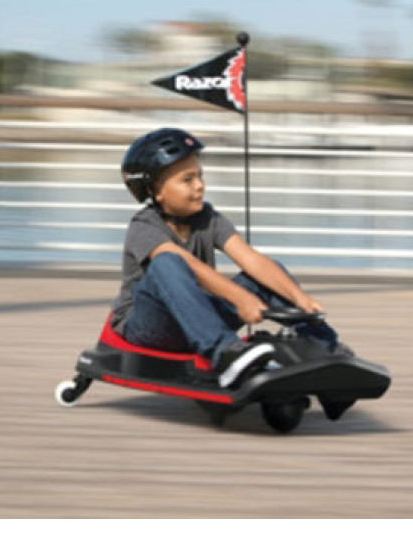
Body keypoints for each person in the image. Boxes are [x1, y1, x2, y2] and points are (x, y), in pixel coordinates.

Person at [109, 127, 350, 388]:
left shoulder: (207, 217)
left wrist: (298, 297)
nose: (200, 185)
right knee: (168, 263)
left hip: (200, 318)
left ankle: (325, 347)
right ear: (155, 190)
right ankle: (225, 353)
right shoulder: (144, 226)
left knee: (268, 274)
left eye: (200, 176)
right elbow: (188, 265)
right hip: (152, 326)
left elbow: (251, 259)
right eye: (187, 180)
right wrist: (240, 298)